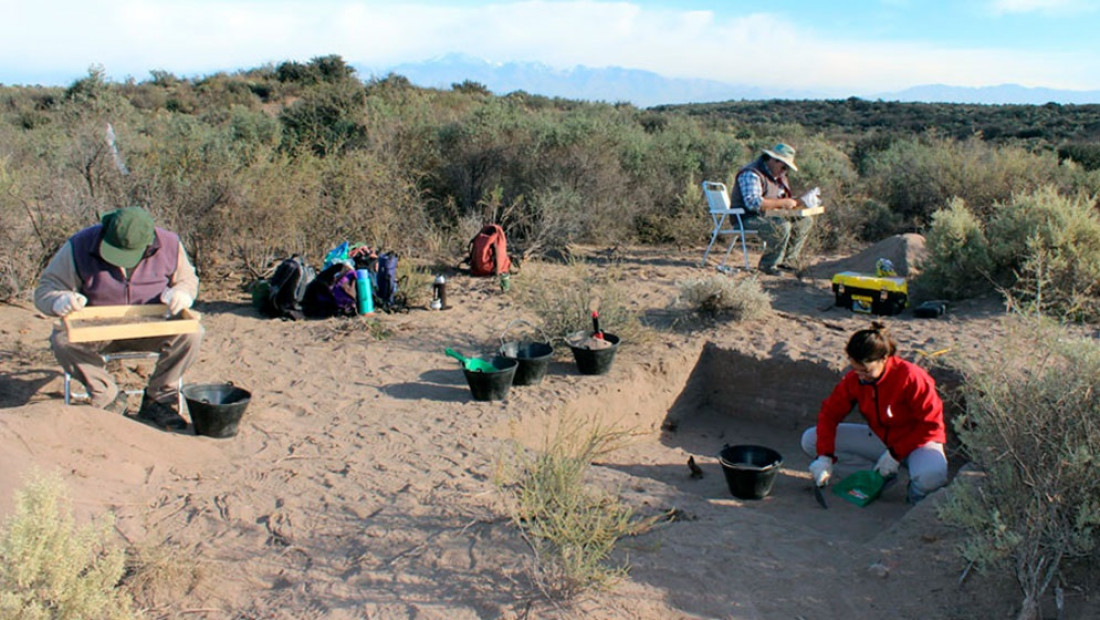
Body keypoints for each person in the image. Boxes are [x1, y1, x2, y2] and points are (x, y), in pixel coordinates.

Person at [34, 206, 203, 431]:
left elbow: (188, 281)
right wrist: (59, 299)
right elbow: (46, 289)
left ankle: (159, 400)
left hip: (150, 328)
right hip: (96, 331)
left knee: (192, 333)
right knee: (62, 340)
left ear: (149, 241)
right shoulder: (80, 245)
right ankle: (108, 397)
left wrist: (183, 293)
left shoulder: (170, 245)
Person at [802, 322, 948, 504]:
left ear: (884, 358)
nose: (861, 376)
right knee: (810, 440)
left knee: (931, 477)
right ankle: (877, 478)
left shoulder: (911, 377)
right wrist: (824, 457)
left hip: (918, 443)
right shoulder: (854, 379)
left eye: (866, 371)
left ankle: (916, 503)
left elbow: (931, 426)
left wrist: (895, 454)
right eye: (856, 369)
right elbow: (829, 414)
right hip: (882, 439)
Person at [729, 143, 815, 274]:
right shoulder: (751, 173)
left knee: (805, 221)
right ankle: (768, 265)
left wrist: (796, 202)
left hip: (768, 216)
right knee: (781, 226)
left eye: (787, 168)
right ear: (773, 160)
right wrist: (783, 203)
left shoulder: (779, 177)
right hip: (746, 218)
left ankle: (788, 262)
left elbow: (779, 199)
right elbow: (753, 203)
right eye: (784, 166)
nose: (785, 170)